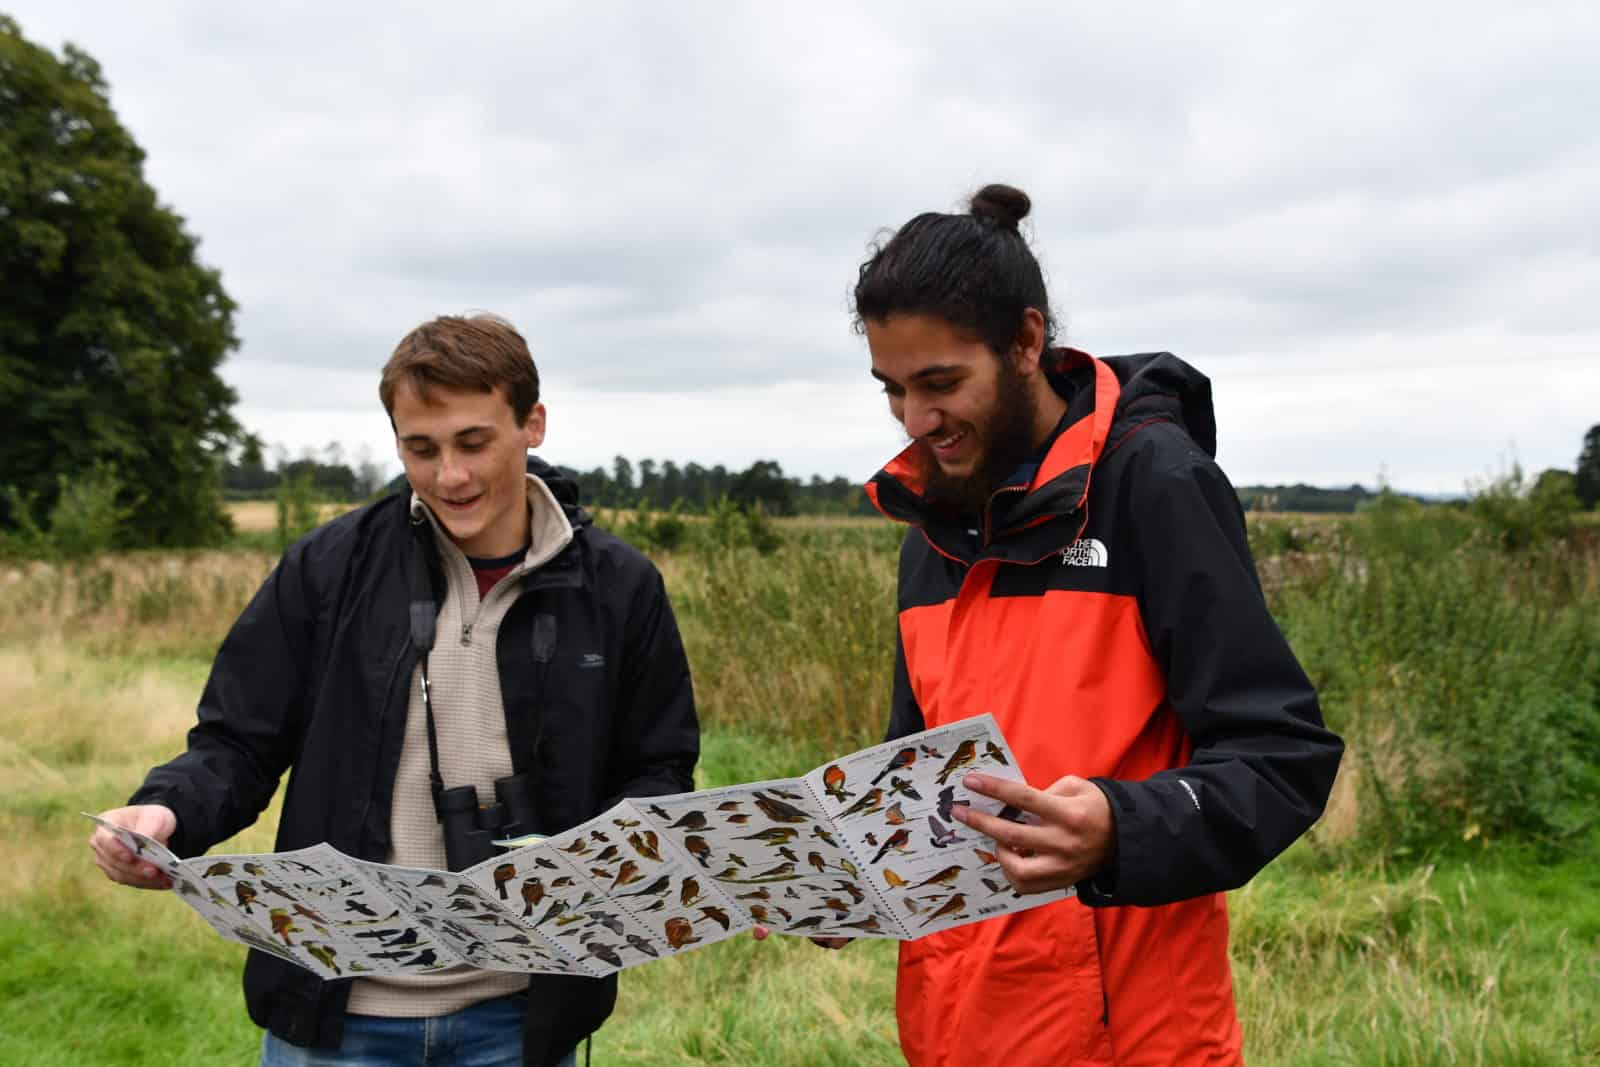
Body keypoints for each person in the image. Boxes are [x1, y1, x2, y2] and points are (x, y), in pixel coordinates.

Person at [88, 313, 699, 1067]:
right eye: (422, 448)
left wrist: (617, 865)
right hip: (336, 1012)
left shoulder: (621, 587)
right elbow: (237, 741)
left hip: (524, 1016)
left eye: (474, 442)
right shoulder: (328, 567)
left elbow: (659, 769)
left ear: (532, 424)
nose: (451, 476)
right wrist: (169, 810)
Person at [850, 185, 1344, 1065]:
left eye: (940, 383)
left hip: (1133, 1035)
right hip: (953, 1025)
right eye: (893, 390)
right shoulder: (931, 516)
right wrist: (851, 879)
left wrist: (1122, 825)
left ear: (1028, 342)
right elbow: (919, 775)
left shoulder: (1154, 484)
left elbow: (1283, 757)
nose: (916, 422)